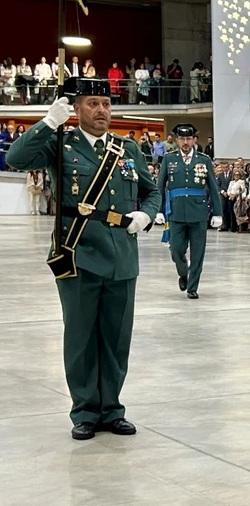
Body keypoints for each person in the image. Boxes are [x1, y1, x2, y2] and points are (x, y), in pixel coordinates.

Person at [6, 77, 160, 440]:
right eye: (92, 104)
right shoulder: (61, 143)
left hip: (122, 255)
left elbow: (151, 191)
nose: (101, 110)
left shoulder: (127, 149)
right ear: (76, 110)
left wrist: (147, 214)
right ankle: (85, 410)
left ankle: (112, 409)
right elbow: (15, 159)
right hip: (77, 253)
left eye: (106, 104)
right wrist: (47, 122)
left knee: (116, 338)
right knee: (80, 337)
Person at [154, 124, 223, 300]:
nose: (185, 142)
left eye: (188, 139)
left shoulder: (204, 159)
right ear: (177, 140)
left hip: (199, 212)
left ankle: (192, 287)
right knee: (176, 249)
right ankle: (183, 273)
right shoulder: (169, 159)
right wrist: (158, 210)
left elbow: (213, 188)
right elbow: (160, 187)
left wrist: (218, 213)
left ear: (194, 140)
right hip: (176, 212)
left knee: (198, 252)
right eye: (182, 139)